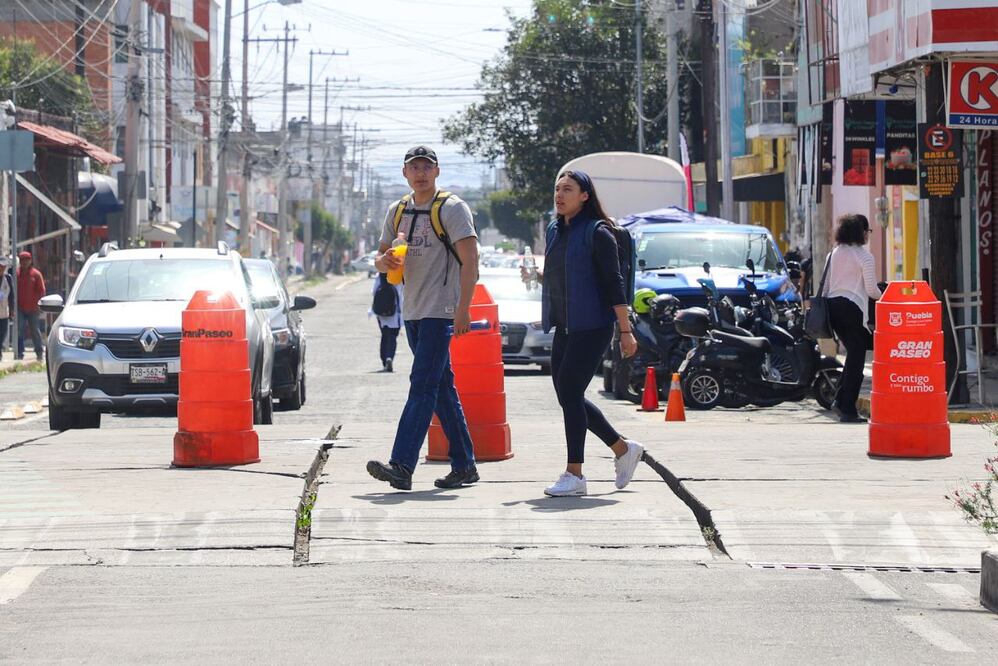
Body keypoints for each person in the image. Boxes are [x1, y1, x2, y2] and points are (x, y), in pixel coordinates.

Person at [366, 146, 480, 491]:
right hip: (412, 309)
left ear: (437, 171)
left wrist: (463, 310)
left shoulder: (452, 208)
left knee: (422, 384)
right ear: (404, 173)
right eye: (414, 167)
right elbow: (382, 253)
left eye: (426, 167)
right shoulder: (397, 209)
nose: (420, 173)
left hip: (440, 310)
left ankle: (401, 465)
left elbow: (471, 261)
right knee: (441, 387)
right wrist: (382, 262)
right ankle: (465, 465)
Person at [528, 170, 645, 497]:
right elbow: (560, 275)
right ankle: (623, 449)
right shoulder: (555, 230)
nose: (560, 195)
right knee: (569, 396)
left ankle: (575, 474)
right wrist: (537, 277)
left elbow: (614, 285)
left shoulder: (598, 233)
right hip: (566, 325)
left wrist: (625, 331)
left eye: (568, 189)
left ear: (584, 196)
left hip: (593, 325)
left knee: (569, 391)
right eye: (557, 189)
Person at [825, 213, 882, 423]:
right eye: (868, 231)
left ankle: (840, 400)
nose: (868, 235)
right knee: (858, 358)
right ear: (862, 232)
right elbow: (872, 290)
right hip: (852, 309)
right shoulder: (864, 256)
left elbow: (828, 285)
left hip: (833, 309)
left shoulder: (835, 253)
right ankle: (847, 407)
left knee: (854, 355)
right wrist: (889, 296)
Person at [370, 272, 403, 372]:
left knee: (384, 336)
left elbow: (374, 291)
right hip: (395, 312)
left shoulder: (380, 275)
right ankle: (389, 357)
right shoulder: (399, 275)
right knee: (392, 336)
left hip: (381, 313)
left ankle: (384, 361)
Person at [16, 251, 46, 361]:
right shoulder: (16, 274)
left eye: (27, 260)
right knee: (19, 329)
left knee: (35, 330)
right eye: (22, 260)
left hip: (33, 309)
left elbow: (42, 291)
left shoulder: (36, 274)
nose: (24, 262)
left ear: (30, 261)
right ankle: (19, 352)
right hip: (20, 308)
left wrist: (39, 305)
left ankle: (39, 352)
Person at [0, 256, 13, 361]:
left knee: (2, 333)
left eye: (3, 267)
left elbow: (11, 295)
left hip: (4, 312)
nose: (2, 269)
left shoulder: (8, 278)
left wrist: (12, 310)